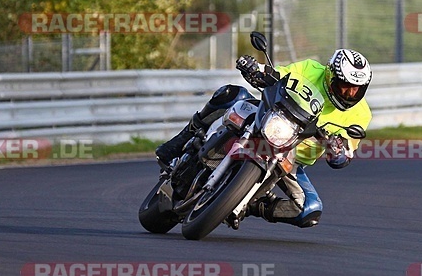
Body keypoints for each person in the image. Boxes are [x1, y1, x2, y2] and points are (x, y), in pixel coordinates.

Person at [155, 48, 373, 228]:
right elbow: (278, 75)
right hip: (268, 120)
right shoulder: (310, 69)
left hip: (292, 158)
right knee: (232, 94)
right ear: (329, 76)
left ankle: (251, 203)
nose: (349, 94)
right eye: (344, 86)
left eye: (356, 90)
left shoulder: (361, 115)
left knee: (309, 209)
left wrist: (338, 151)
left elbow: (346, 152)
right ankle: (183, 138)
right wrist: (254, 68)